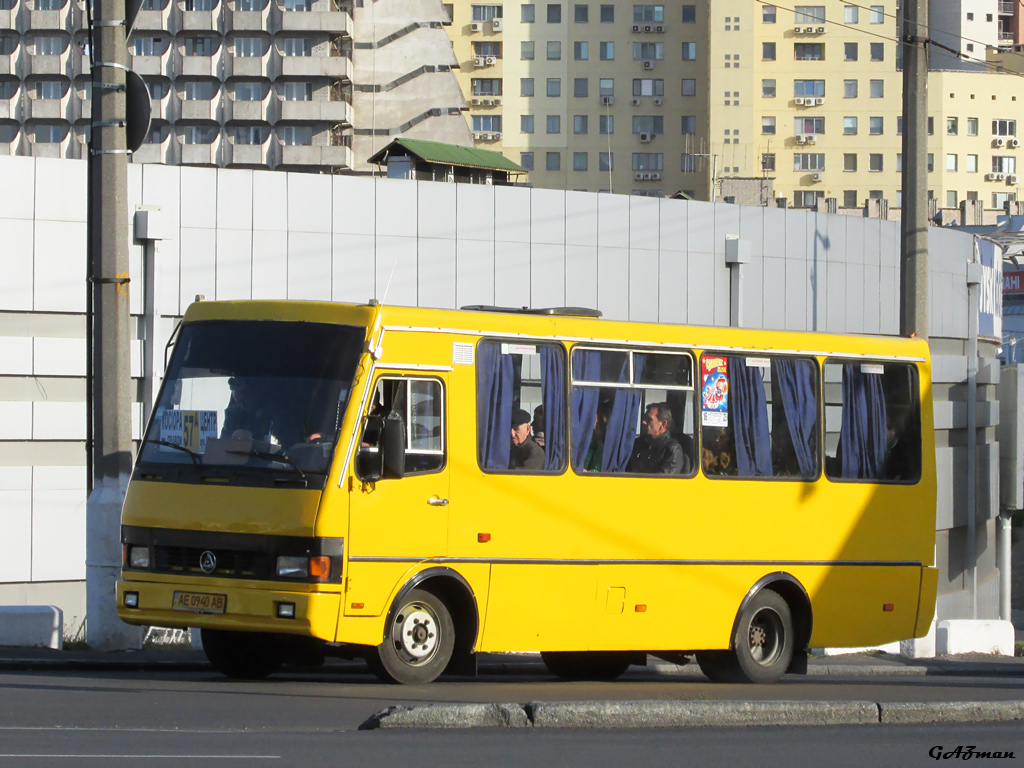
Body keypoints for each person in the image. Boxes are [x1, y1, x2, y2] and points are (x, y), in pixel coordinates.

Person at [627, 403, 688, 474]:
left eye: (649, 419)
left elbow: (662, 481)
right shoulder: (638, 444)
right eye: (644, 419)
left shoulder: (672, 449)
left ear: (663, 424)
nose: (643, 422)